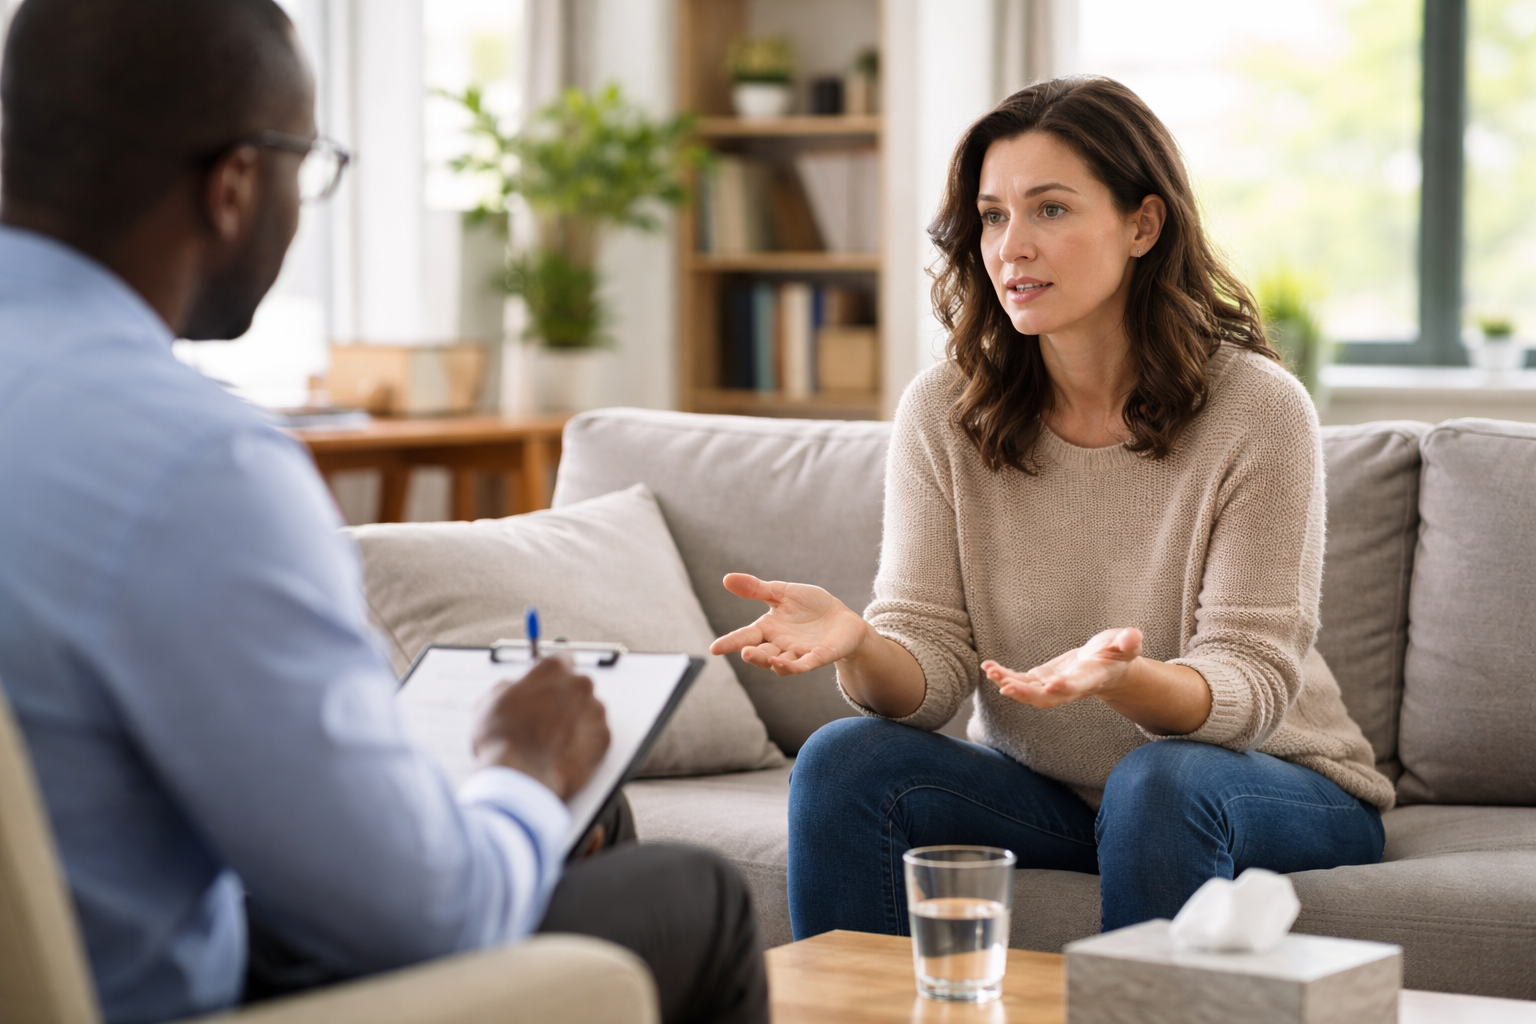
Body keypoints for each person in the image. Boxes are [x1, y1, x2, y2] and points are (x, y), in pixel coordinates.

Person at [0, 3, 766, 1023]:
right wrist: (527, 778)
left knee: (582, 820)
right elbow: (427, 916)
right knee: (693, 892)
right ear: (233, 184)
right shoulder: (189, 461)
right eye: (309, 165)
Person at [711, 77, 1394, 940]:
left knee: (1160, 781)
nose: (1011, 248)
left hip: (1264, 782)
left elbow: (1251, 683)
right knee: (848, 760)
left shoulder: (1257, 409)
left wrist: (1126, 682)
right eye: (993, 216)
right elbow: (926, 674)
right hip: (1058, 798)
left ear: (1143, 225)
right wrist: (863, 645)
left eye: (1051, 211)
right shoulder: (946, 409)